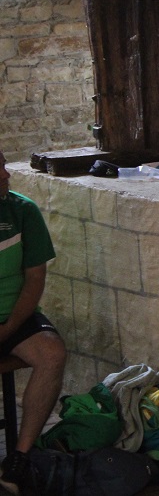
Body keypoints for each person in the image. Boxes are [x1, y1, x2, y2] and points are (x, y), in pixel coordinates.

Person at [0, 150, 67, 494]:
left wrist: (8, 328)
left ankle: (19, 459)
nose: (6, 175)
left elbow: (35, 279)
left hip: (14, 316)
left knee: (52, 354)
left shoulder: (22, 211)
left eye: (3, 166)